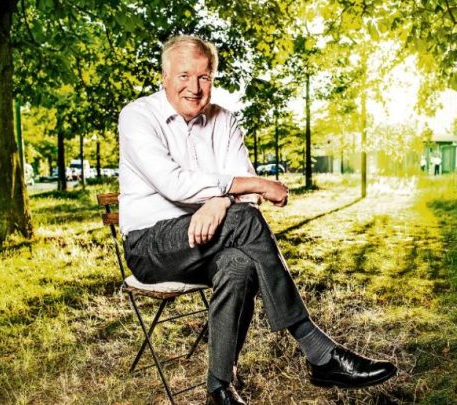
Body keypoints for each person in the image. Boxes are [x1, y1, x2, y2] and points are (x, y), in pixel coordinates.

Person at [119, 35, 397, 405]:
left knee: (239, 264)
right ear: (165, 77)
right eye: (184, 75)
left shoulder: (224, 120)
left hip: (211, 242)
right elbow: (175, 184)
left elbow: (243, 187)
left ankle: (219, 388)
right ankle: (317, 349)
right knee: (246, 220)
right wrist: (254, 186)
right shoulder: (137, 116)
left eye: (204, 77)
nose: (194, 87)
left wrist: (220, 200)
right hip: (152, 247)